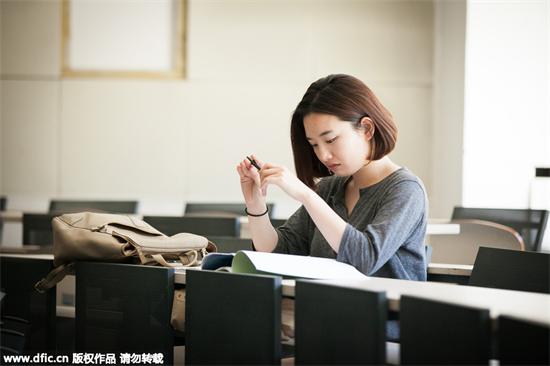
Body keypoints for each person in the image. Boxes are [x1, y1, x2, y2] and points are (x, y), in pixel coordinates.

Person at [236, 74, 428, 281]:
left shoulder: (406, 189)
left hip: (383, 311)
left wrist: (306, 196)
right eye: (314, 144)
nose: (323, 155)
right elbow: (278, 253)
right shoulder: (330, 188)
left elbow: (365, 259)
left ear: (367, 129)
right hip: (326, 306)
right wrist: (255, 204)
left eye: (331, 139)